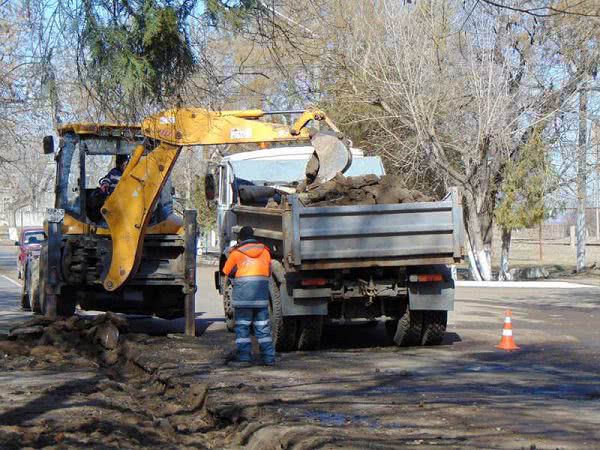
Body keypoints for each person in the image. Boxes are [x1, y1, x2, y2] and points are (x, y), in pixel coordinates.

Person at [222, 226, 275, 367]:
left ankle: (244, 358)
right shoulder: (265, 252)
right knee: (263, 328)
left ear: (240, 239)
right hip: (261, 298)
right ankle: (269, 359)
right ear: (253, 237)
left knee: (243, 328)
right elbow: (268, 272)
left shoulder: (236, 253)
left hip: (243, 298)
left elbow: (226, 271)